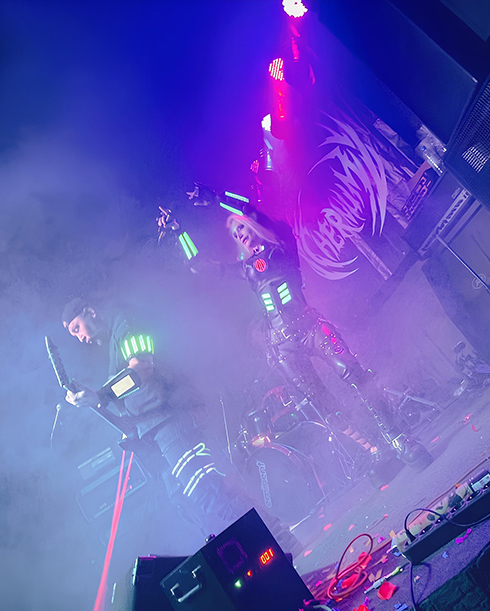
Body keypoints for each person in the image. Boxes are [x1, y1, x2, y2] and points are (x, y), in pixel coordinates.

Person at [61, 297, 302, 551]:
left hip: (172, 424)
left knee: (211, 491)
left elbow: (141, 369)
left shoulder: (126, 322)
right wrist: (96, 400)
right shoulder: (112, 343)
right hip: (157, 435)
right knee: (191, 503)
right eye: (73, 334)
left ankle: (279, 543)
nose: (80, 337)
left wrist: (101, 395)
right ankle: (261, 552)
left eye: (77, 328)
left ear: (90, 312)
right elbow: (124, 394)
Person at [221, 203, 431, 470]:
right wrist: (177, 231)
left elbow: (275, 223)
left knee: (354, 372)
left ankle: (398, 439)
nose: (239, 234)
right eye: (234, 234)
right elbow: (201, 267)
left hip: (309, 325)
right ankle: (375, 450)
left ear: (252, 224)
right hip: (282, 345)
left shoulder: (281, 245)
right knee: (320, 402)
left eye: (241, 227)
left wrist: (219, 198)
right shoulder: (245, 268)